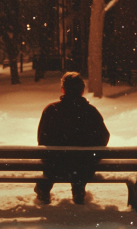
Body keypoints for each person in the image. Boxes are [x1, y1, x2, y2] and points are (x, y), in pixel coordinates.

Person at [34, 72, 110, 204]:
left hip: (55, 168)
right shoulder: (91, 112)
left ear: (63, 90)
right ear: (82, 91)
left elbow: (42, 140)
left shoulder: (51, 110)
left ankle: (43, 189)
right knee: (80, 163)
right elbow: (104, 138)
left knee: (52, 160)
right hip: (83, 169)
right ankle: (78, 188)